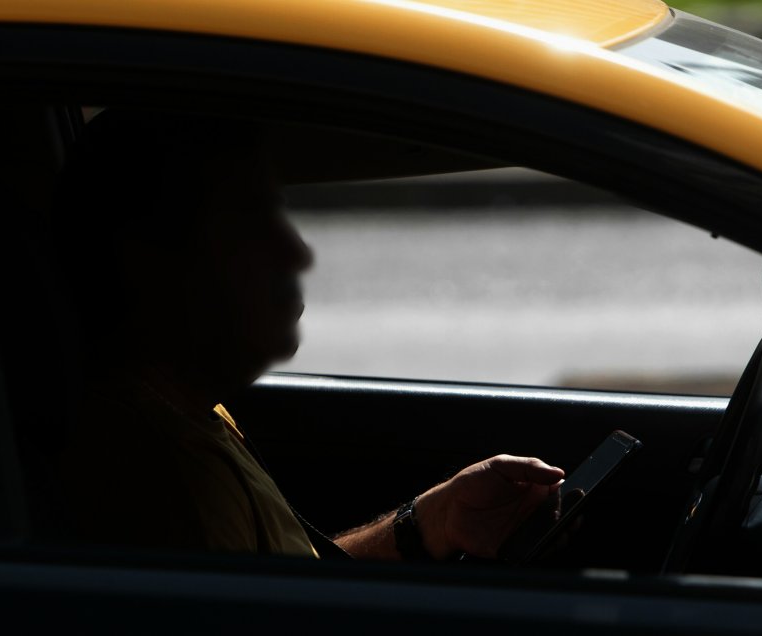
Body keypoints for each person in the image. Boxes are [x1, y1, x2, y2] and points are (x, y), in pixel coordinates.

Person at [49, 108, 566, 561]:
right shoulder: (167, 481)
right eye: (251, 223)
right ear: (154, 267)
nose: (297, 254)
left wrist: (428, 523)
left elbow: (290, 588)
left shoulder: (188, 412)